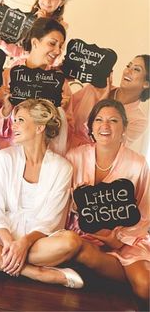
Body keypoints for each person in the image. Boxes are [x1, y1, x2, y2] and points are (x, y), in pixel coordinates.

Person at [0, 98, 84, 289]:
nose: (14, 125)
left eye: (20, 120)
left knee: (70, 242)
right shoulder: (5, 158)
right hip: (0, 233)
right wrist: (9, 242)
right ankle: (37, 273)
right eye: (14, 119)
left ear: (39, 128)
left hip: (37, 241)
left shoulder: (62, 168)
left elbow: (51, 220)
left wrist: (24, 243)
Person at [65, 99, 149, 300]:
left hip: (127, 240)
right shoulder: (74, 157)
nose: (105, 126)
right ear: (91, 127)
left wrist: (118, 239)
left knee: (145, 287)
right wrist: (73, 207)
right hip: (81, 237)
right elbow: (58, 204)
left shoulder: (138, 164)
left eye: (113, 120)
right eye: (99, 120)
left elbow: (145, 212)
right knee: (82, 255)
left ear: (124, 128)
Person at [0, 17, 73, 156]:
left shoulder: (60, 83)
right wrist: (5, 110)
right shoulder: (8, 76)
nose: (58, 51)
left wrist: (61, 113)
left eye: (61, 46)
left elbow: (69, 130)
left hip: (45, 155)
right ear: (35, 42)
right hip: (10, 153)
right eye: (52, 43)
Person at [68, 54, 150, 148]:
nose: (128, 71)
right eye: (128, 66)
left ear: (146, 84)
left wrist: (101, 105)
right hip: (58, 152)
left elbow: (110, 148)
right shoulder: (95, 89)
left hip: (85, 160)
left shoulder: (138, 121)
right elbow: (64, 111)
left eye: (136, 69)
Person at [0, 0, 70, 59]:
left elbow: (54, 56)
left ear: (61, 2)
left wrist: (42, 23)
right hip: (20, 64)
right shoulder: (27, 19)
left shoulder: (61, 27)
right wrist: (1, 15)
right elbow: (13, 49)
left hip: (42, 69)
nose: (47, 1)